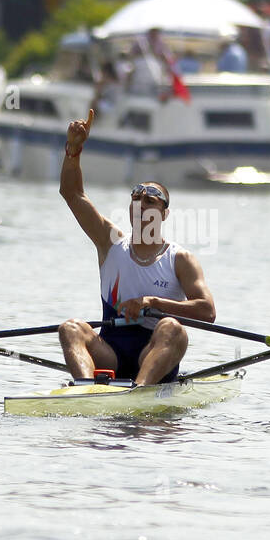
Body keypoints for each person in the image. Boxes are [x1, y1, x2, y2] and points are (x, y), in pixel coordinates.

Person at [58, 109, 216, 385]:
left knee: (173, 328)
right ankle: (85, 392)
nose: (141, 204)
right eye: (136, 198)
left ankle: (141, 391)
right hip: (111, 354)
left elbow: (207, 311)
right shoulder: (111, 243)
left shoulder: (180, 259)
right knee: (70, 328)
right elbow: (72, 194)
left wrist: (152, 303)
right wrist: (74, 149)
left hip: (154, 352)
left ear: (164, 214)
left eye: (151, 201)